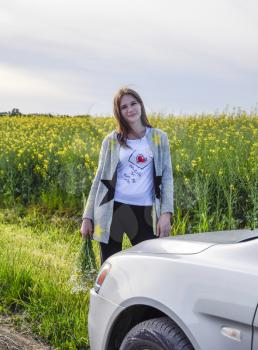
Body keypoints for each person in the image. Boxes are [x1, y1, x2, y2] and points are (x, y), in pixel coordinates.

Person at [81, 86, 174, 264]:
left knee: (150, 264)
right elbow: (99, 179)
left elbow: (167, 178)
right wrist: (87, 217)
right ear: (119, 112)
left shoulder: (158, 137)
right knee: (109, 265)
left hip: (146, 212)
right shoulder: (111, 140)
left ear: (141, 105)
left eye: (133, 103)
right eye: (124, 107)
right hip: (111, 209)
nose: (130, 109)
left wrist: (166, 214)